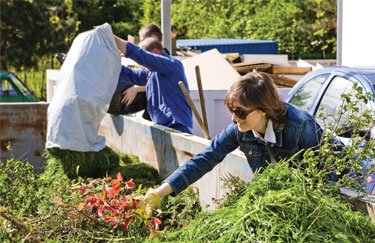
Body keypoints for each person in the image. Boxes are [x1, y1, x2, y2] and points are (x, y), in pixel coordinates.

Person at [137, 71, 324, 215]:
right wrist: (159, 192)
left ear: (264, 110)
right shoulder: (239, 130)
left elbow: (328, 176)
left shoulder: (301, 128)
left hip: (311, 208)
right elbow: (204, 159)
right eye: (231, 110)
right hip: (278, 206)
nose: (234, 118)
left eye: (241, 112)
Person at [114, 35, 193, 134]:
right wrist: (110, 63)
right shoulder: (151, 72)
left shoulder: (171, 65)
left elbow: (141, 56)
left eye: (146, 63)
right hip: (163, 127)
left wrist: (113, 39)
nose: (145, 67)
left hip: (176, 127)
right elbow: (131, 75)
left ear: (156, 53)